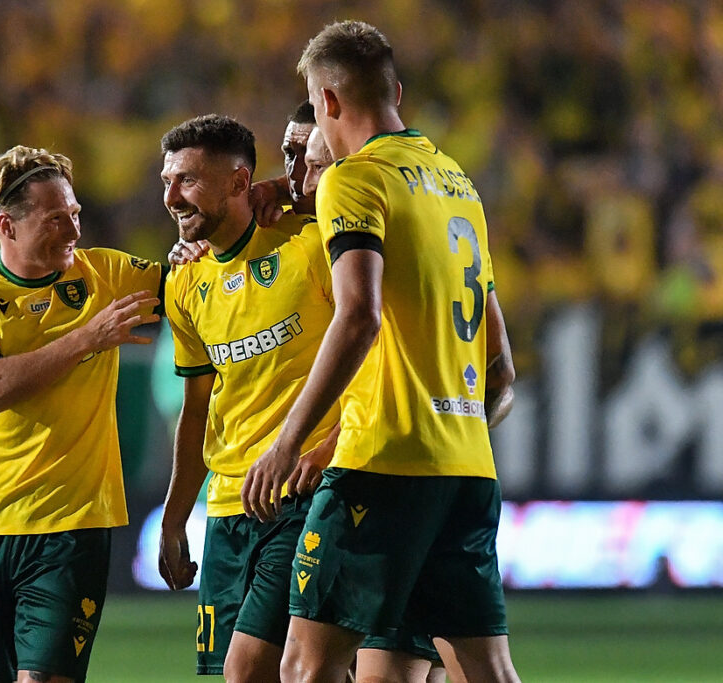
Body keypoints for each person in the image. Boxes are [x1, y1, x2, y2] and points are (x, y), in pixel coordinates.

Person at [241, 20, 519, 683]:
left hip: (382, 464)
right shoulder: (458, 185)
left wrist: (287, 442)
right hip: (467, 468)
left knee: (306, 668)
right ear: (395, 91)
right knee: (486, 670)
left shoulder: (353, 179)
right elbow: (501, 366)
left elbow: (359, 316)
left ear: (328, 101)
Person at [0, 145, 163, 683]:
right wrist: (86, 338)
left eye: (75, 214)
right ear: (7, 225)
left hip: (71, 529)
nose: (74, 230)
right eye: (56, 219)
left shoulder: (107, 273)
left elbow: (203, 280)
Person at [157, 113, 340, 683]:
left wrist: (332, 446)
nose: (171, 198)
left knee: (251, 671)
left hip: (301, 496)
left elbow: (377, 355)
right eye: (167, 181)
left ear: (240, 182)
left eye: (187, 181)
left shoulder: (311, 246)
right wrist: (174, 516)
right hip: (227, 510)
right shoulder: (184, 282)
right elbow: (197, 408)